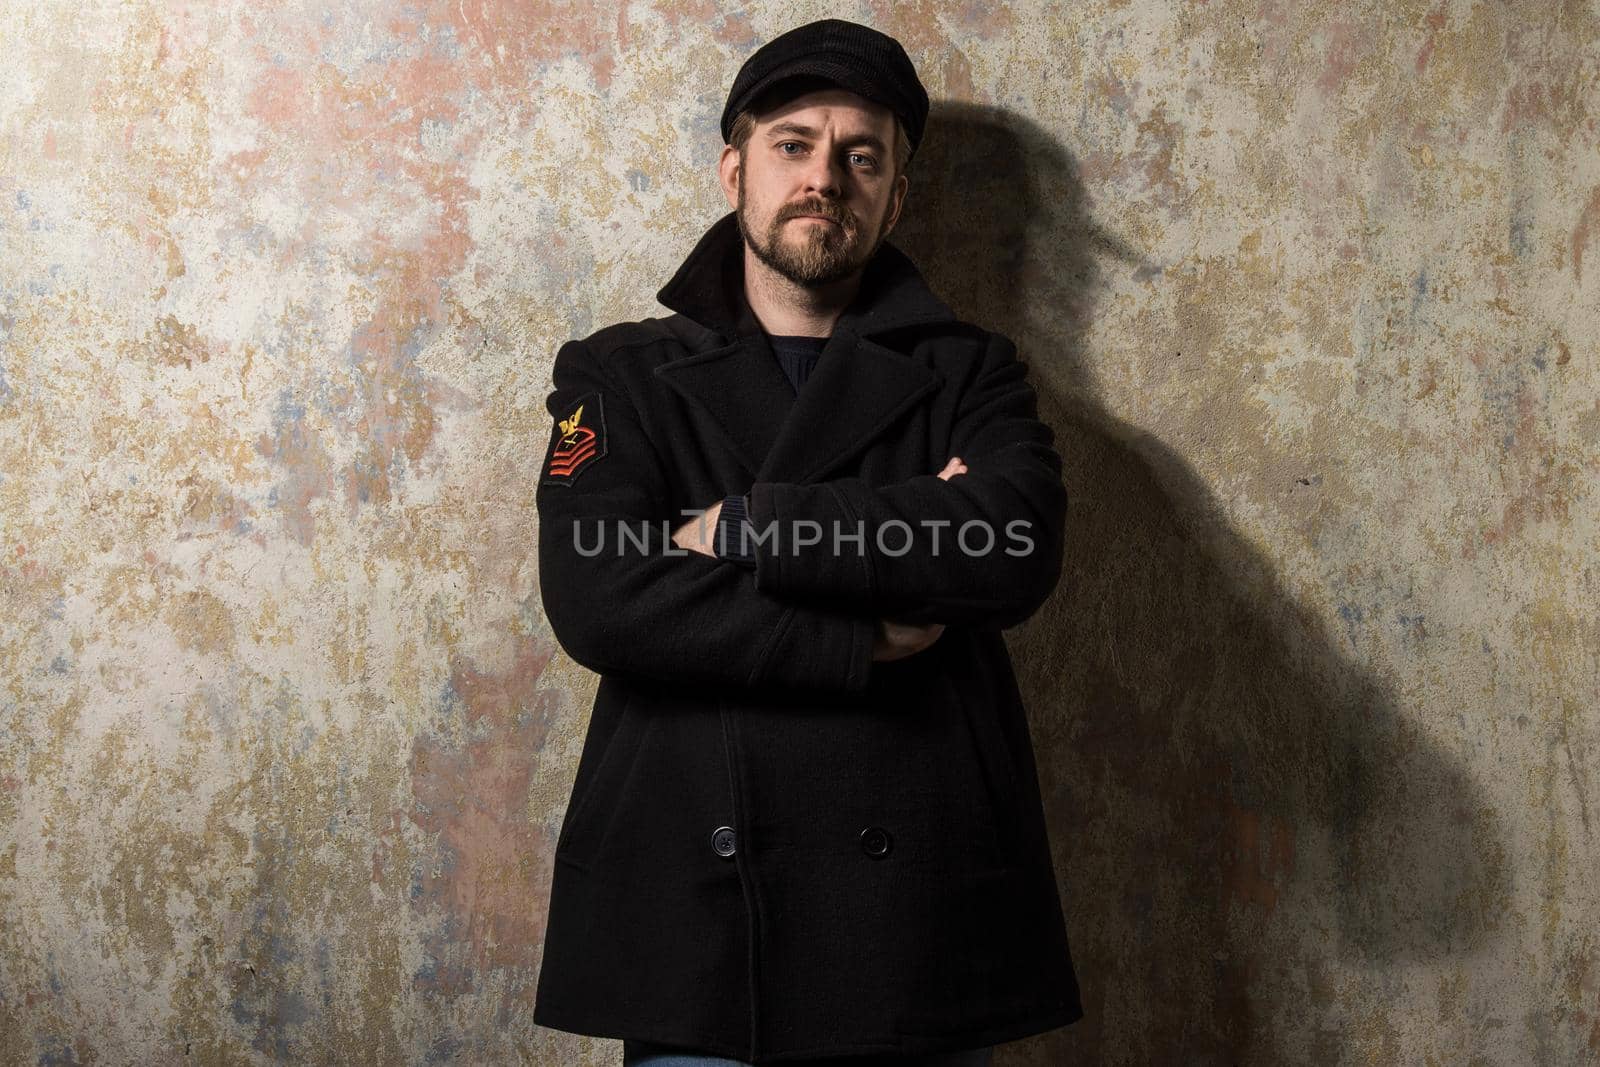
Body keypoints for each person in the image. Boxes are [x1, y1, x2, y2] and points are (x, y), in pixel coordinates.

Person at [531, 18, 1083, 1067]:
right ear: (735, 167)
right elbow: (599, 592)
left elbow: (1010, 547)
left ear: (895, 194)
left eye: (860, 155)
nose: (825, 176)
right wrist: (860, 633)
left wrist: (740, 524)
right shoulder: (618, 373)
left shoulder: (972, 371)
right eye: (794, 144)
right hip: (699, 914)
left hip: (915, 911)